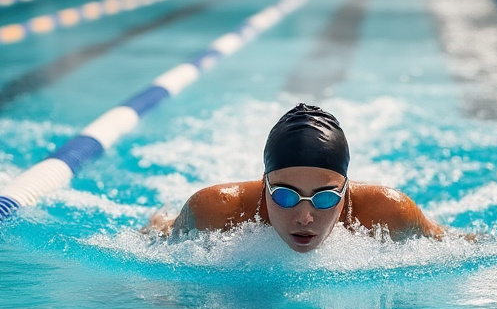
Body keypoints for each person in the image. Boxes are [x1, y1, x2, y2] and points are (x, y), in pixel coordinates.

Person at [148, 103, 445, 253]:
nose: (304, 217)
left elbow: (455, 245)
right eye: (285, 195)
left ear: (346, 188)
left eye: (325, 197)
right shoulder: (214, 210)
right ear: (263, 181)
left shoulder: (390, 211)